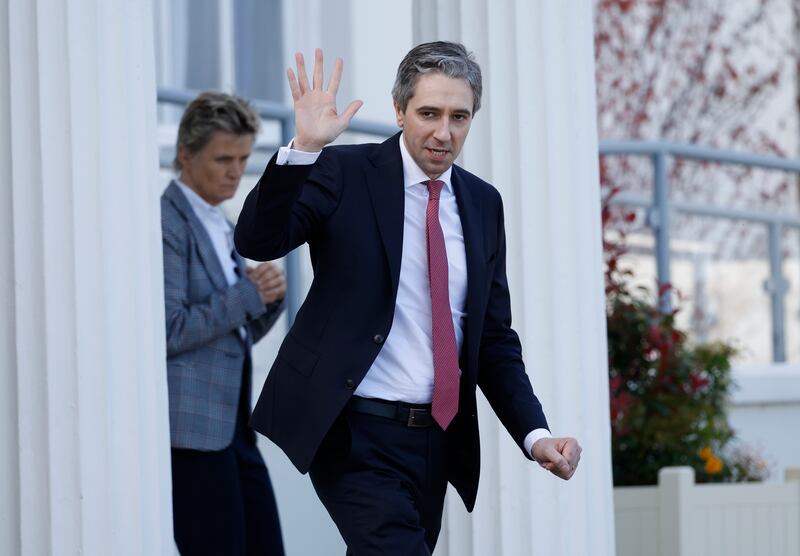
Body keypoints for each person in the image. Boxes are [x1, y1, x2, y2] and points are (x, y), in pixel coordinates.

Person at [235, 42, 582, 555]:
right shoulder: (343, 173)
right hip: (353, 432)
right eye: (429, 114)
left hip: (436, 440)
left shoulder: (483, 204)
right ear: (399, 111)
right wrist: (304, 149)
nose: (444, 133)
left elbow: (492, 339)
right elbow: (258, 241)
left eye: (459, 117)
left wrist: (535, 435)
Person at [161, 91, 286, 555]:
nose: (236, 171)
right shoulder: (167, 223)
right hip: (192, 436)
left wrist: (266, 300)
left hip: (234, 429)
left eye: (243, 157)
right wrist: (246, 295)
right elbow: (170, 330)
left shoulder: (218, 219)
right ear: (185, 155)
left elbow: (231, 336)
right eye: (223, 159)